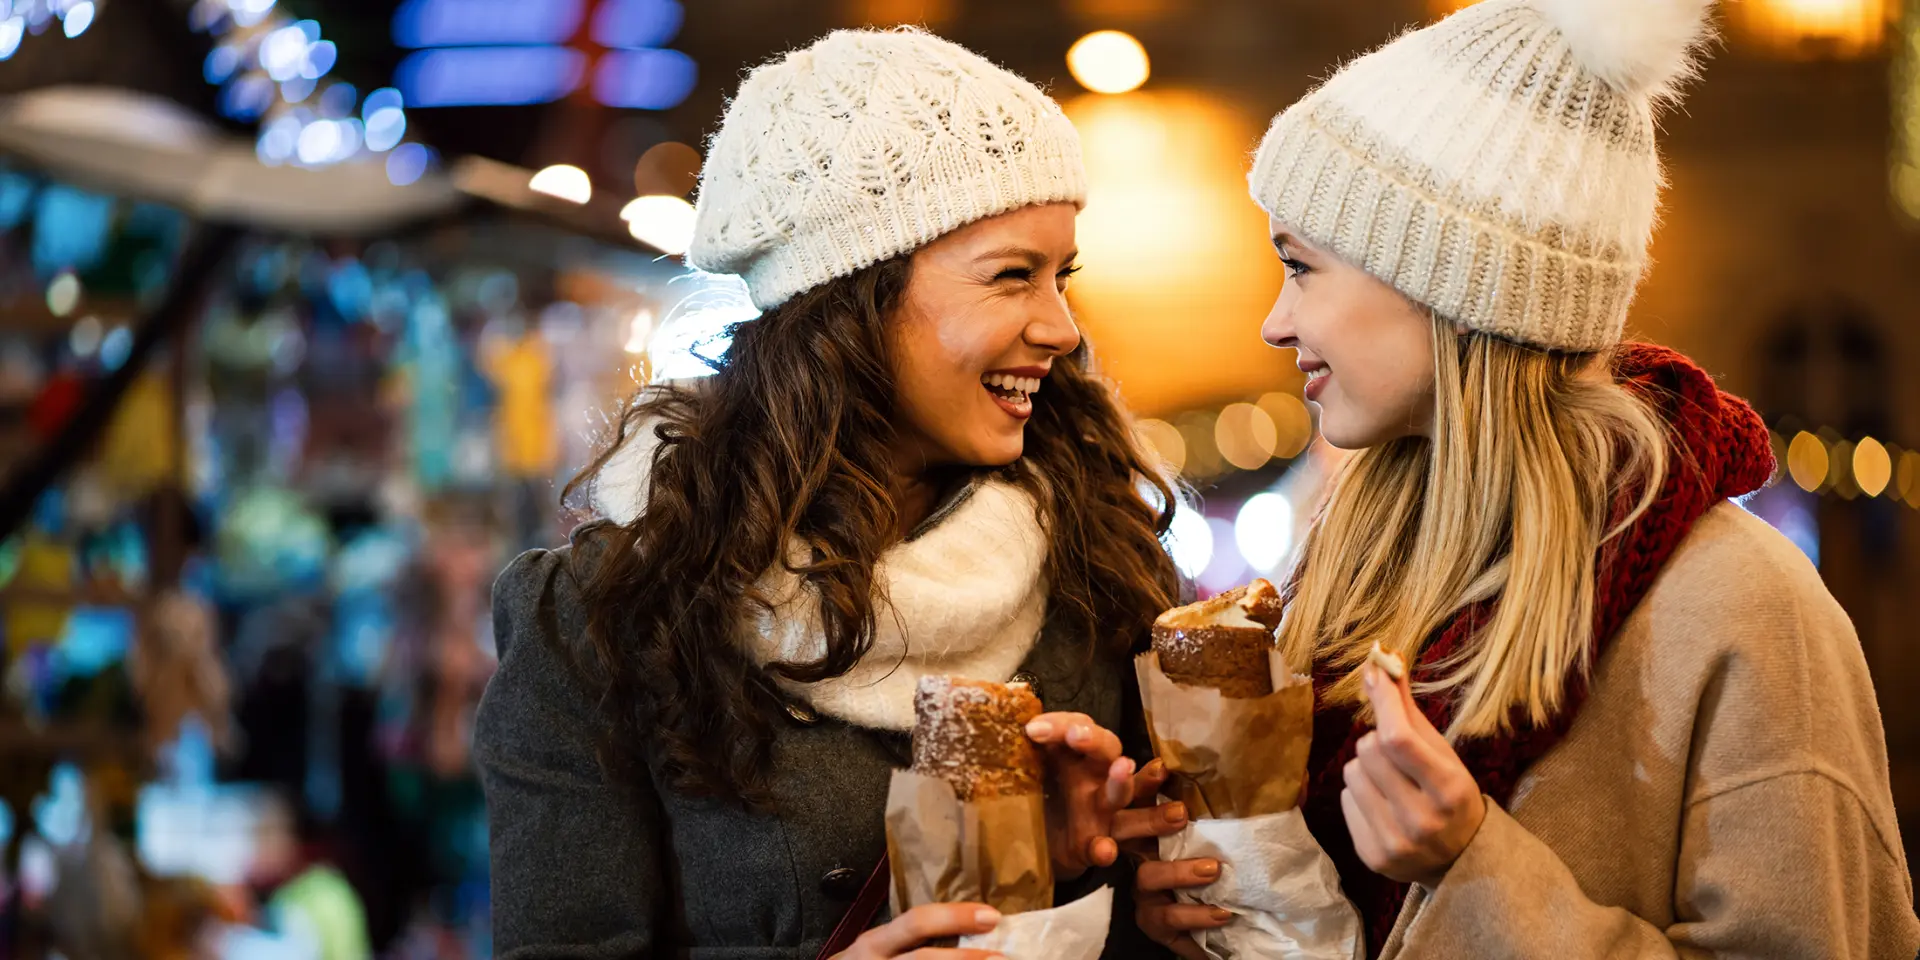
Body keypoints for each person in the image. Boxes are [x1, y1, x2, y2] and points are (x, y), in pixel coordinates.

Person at [1135, 0, 1920, 957]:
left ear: (1452, 284)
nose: (1274, 322)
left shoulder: (1745, 608)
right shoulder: (1351, 567)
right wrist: (1209, 911)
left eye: (1300, 267)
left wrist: (1473, 868)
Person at [476, 27, 1189, 959]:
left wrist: (1129, 901)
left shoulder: (1099, 562)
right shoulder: (603, 614)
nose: (1059, 325)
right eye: (1013, 275)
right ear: (850, 299)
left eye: (1063, 277)